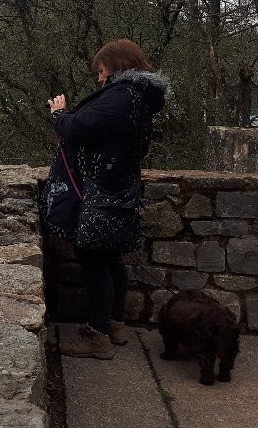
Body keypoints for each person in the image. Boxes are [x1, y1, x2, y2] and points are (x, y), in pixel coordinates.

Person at [46, 39, 169, 359]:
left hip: (105, 193)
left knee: (94, 259)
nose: (99, 78)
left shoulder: (123, 95)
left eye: (101, 72)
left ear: (117, 67)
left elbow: (80, 128)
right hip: (120, 188)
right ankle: (115, 324)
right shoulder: (137, 95)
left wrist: (59, 115)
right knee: (111, 258)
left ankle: (98, 337)